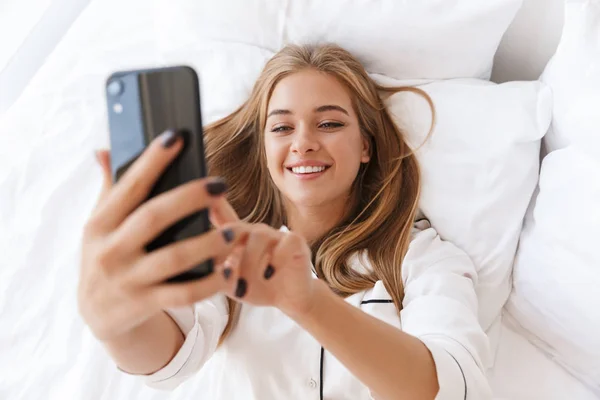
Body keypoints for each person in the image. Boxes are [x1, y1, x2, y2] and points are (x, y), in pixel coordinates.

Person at [78, 44, 492, 399]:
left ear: (366, 145)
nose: (303, 142)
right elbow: (169, 356)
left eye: (329, 123)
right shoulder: (232, 250)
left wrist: (307, 301)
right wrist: (114, 325)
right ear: (263, 147)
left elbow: (451, 389)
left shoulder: (427, 260)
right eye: (281, 127)